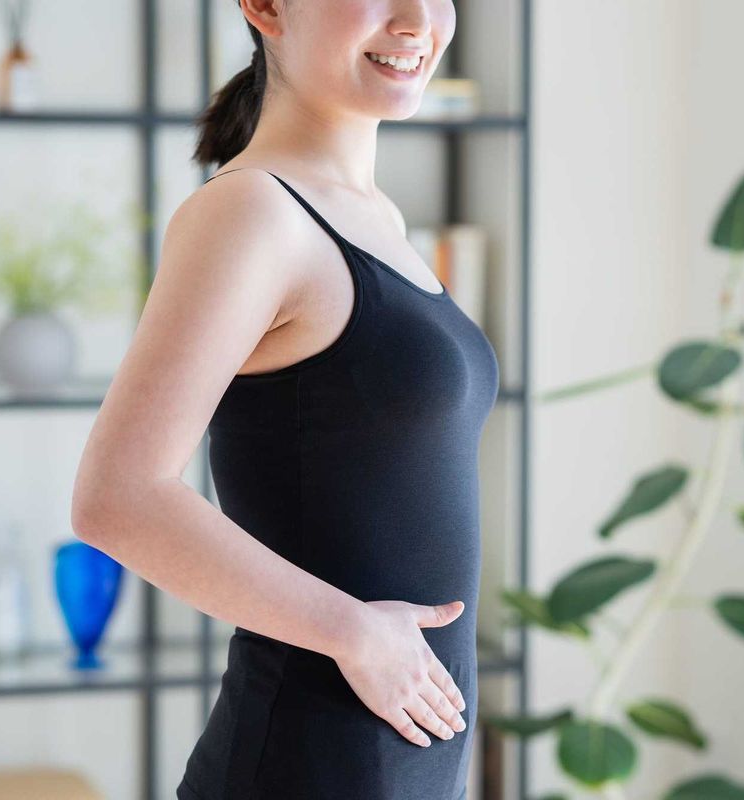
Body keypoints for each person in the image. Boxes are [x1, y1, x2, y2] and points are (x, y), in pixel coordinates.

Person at [70, 0, 499, 797]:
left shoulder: (378, 219)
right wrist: (355, 634)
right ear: (265, 6)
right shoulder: (251, 213)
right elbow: (117, 498)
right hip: (302, 766)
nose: (416, 20)